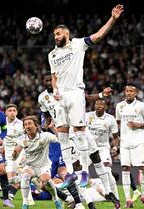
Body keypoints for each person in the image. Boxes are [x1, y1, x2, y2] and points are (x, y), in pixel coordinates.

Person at [48, 4, 124, 188]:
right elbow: (54, 78)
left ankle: (83, 171)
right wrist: (56, 89)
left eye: (58, 34)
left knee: (80, 133)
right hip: (61, 97)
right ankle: (71, 174)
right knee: (63, 137)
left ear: (66, 33)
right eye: (54, 35)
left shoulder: (78, 44)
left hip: (75, 93)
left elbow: (98, 35)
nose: (55, 37)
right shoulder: (52, 54)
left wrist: (112, 19)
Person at [38, 73, 115, 209]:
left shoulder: (66, 90)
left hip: (79, 128)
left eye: (51, 80)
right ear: (43, 82)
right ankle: (83, 203)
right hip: (64, 133)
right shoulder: (42, 98)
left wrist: (102, 95)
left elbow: (87, 98)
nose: (49, 82)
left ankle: (108, 192)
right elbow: (45, 113)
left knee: (95, 157)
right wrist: (46, 123)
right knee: (74, 169)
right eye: (47, 81)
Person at [115, 83, 144, 208]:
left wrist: (138, 125)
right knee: (125, 169)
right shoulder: (119, 106)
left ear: (135, 93)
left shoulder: (141, 106)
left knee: (143, 168)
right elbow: (118, 123)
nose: (129, 93)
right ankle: (128, 200)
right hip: (124, 143)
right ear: (125, 92)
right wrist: (117, 142)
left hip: (138, 142)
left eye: (131, 91)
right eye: (127, 91)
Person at [13, 116, 63, 209]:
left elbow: (60, 139)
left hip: (43, 165)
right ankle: (25, 204)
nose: (27, 126)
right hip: (30, 166)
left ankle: (56, 199)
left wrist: (52, 128)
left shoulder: (45, 136)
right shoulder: (21, 140)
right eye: (25, 124)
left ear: (36, 126)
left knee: (45, 181)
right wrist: (15, 153)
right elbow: (14, 156)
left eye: (30, 123)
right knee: (25, 176)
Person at [86, 99, 120, 200]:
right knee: (79, 173)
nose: (99, 106)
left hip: (103, 149)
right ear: (94, 105)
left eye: (101, 104)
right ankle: (76, 200)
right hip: (88, 149)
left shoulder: (110, 119)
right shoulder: (87, 116)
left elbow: (116, 137)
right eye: (97, 104)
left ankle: (116, 199)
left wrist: (115, 147)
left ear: (105, 107)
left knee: (107, 172)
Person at [3, 104, 24, 199]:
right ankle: (31, 178)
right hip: (8, 153)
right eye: (10, 110)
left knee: (16, 175)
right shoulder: (2, 123)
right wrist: (0, 146)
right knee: (10, 179)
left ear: (17, 112)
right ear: (6, 113)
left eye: (14, 110)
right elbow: (0, 136)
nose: (12, 112)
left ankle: (10, 195)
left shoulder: (21, 124)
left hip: (20, 153)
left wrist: (20, 145)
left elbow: (26, 138)